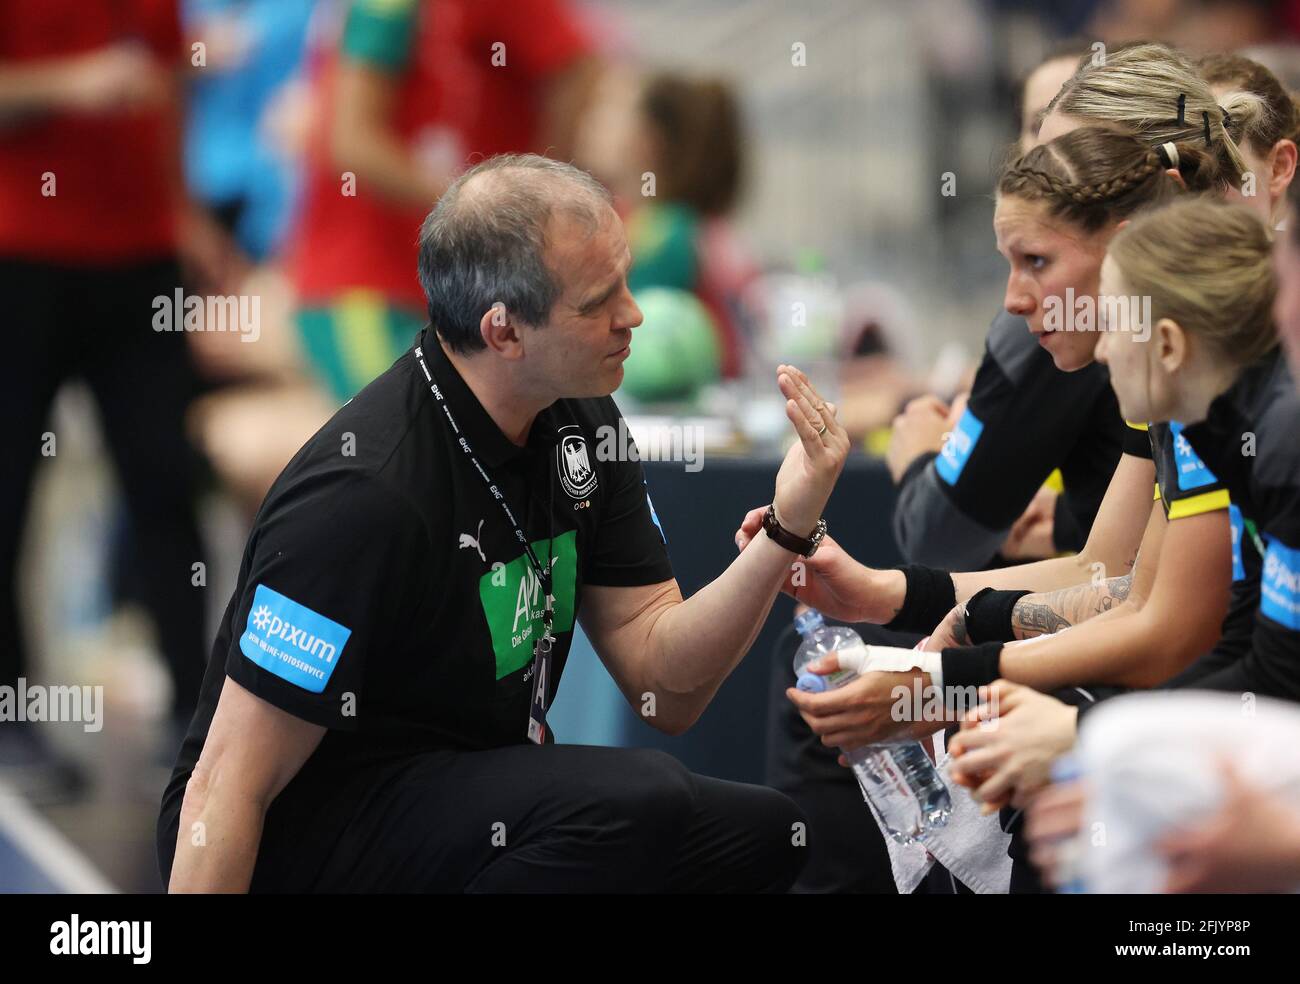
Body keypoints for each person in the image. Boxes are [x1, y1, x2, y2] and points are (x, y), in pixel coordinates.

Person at [159, 154, 851, 893]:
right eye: (598, 300)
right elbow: (226, 785)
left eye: (625, 279)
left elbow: (665, 684)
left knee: (763, 837)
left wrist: (786, 525)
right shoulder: (362, 496)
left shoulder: (580, 418)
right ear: (504, 332)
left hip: (465, 792)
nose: (634, 314)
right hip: (300, 838)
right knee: (633, 803)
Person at [0, 0, 228, 776]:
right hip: (20, 257)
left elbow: (168, 90)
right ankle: (12, 717)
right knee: (8, 495)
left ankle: (192, 713)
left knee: (167, 480)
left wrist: (185, 211)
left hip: (139, 262)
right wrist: (72, 82)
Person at [289, 0, 604, 403]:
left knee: (439, 439)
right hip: (369, 280)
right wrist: (503, 206)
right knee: (403, 434)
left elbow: (580, 66)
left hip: (454, 284)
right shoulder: (386, 9)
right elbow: (352, 142)